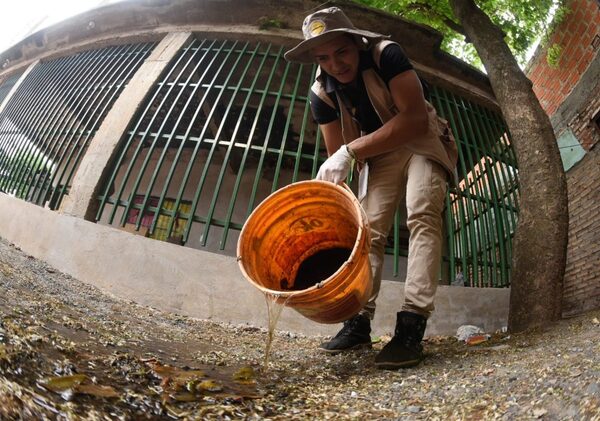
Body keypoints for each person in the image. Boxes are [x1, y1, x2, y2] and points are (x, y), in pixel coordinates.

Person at [284, 7, 458, 369]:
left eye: (341, 52)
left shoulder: (386, 54)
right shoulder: (321, 93)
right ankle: (358, 322)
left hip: (421, 139)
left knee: (422, 212)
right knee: (369, 231)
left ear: (356, 42)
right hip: (378, 156)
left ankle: (411, 326)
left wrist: (350, 151)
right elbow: (337, 158)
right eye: (323, 58)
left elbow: (412, 119)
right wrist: (337, 173)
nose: (335, 64)